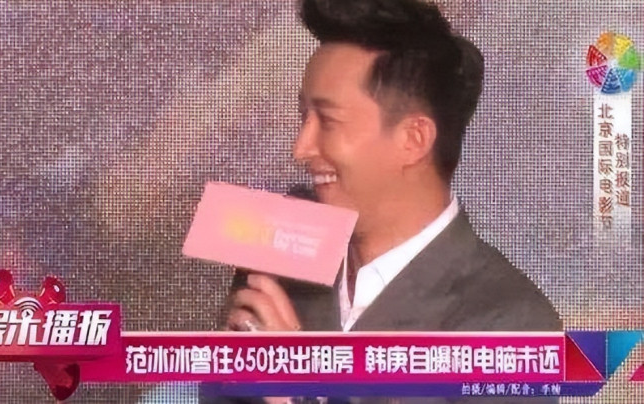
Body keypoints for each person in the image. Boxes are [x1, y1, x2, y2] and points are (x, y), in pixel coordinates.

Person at [217, 0, 561, 402]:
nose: (301, 148)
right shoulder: (279, 256)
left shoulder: (514, 326)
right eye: (303, 118)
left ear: (413, 139)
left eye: (328, 121)